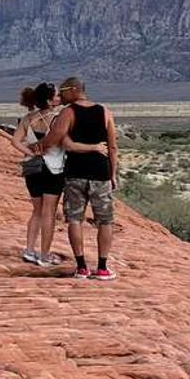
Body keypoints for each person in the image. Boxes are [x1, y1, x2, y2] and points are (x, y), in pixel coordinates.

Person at [35, 76, 119, 280]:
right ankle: (102, 268)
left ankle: (81, 267)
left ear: (74, 90)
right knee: (105, 221)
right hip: (100, 173)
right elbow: (113, 147)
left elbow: (55, 138)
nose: (60, 95)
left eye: (62, 91)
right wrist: (113, 174)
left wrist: (38, 147)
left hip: (76, 173)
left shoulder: (68, 112)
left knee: (74, 219)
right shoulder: (104, 111)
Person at [11, 82, 67, 266]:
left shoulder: (28, 118)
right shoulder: (58, 118)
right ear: (50, 100)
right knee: (48, 213)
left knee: (36, 211)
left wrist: (31, 152)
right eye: (57, 95)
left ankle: (29, 250)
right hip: (54, 169)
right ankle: (44, 255)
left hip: (32, 169)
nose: (60, 98)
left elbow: (15, 141)